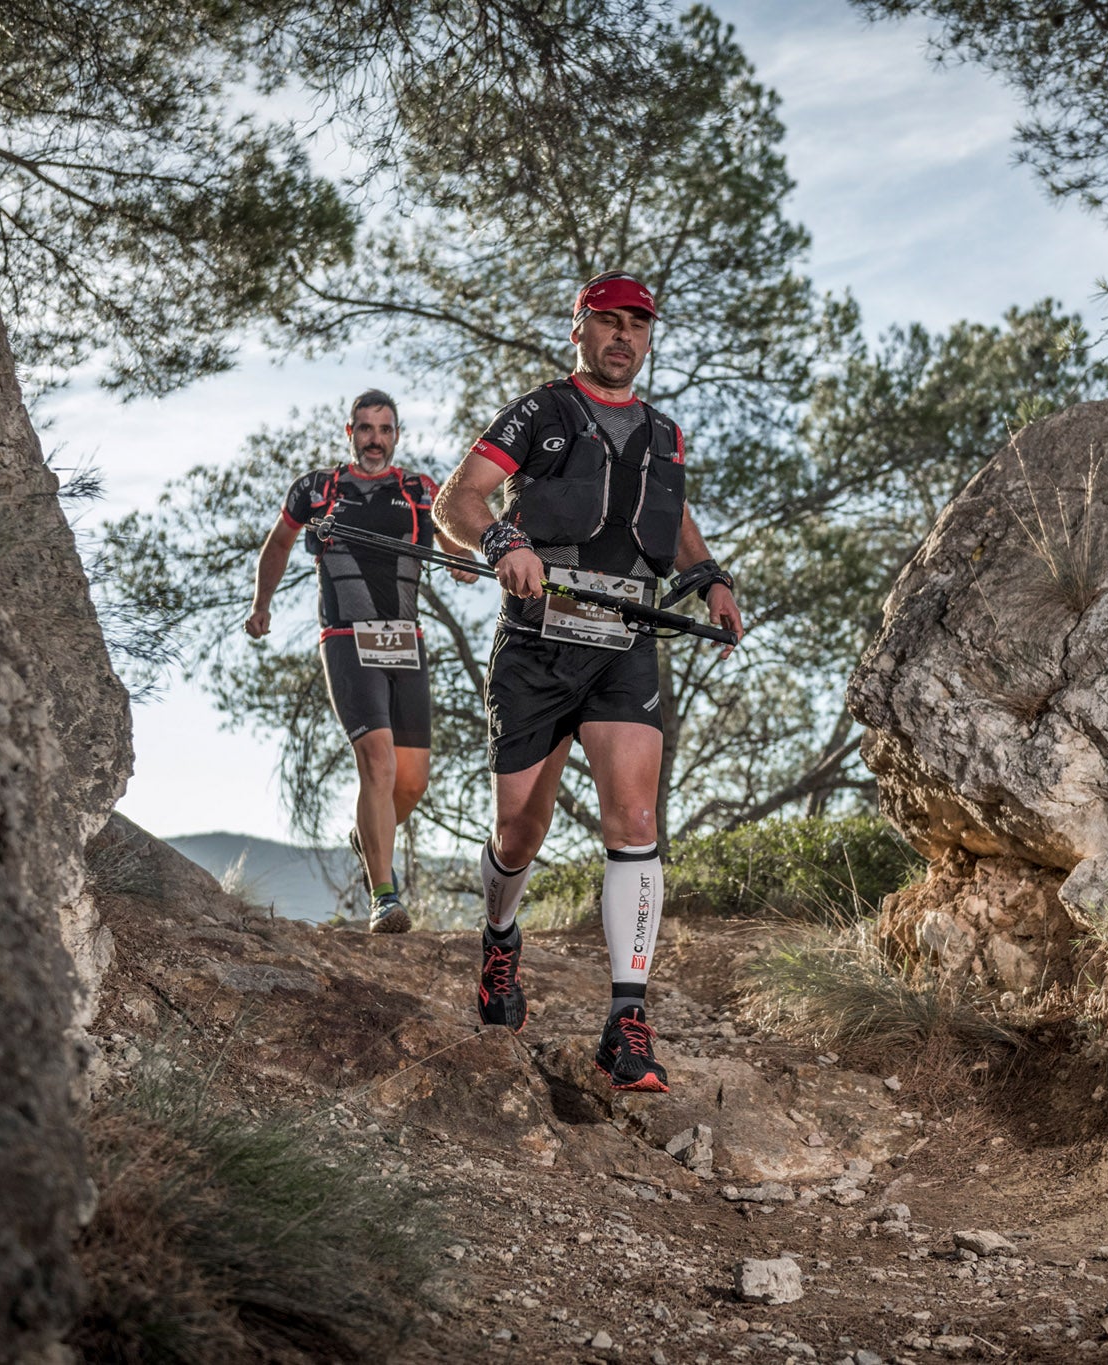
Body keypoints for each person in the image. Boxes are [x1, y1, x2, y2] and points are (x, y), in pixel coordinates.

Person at [436, 271, 743, 1092]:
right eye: (607, 322)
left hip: (624, 642)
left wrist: (710, 577)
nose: (623, 338)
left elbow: (670, 516)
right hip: (536, 646)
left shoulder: (666, 433)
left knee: (636, 813)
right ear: (579, 330)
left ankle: (627, 1022)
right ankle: (501, 941)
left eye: (637, 326)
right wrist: (503, 540)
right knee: (517, 833)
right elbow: (454, 498)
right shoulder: (539, 412)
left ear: (648, 338)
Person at [244, 390, 477, 934]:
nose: (375, 439)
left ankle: (367, 837)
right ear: (350, 432)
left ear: (397, 436)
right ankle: (385, 897)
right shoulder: (318, 489)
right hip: (346, 639)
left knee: (411, 782)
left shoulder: (421, 490)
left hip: (404, 641)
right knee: (378, 763)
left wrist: (464, 560)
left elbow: (453, 536)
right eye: (366, 428)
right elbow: (278, 544)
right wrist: (261, 605)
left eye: (385, 429)